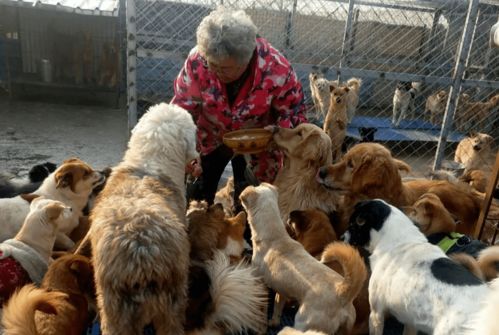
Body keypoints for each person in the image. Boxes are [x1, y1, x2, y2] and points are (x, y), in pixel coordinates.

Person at [172, 6, 307, 208]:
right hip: (209, 137)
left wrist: (277, 134)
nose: (215, 72)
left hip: (257, 144)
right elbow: (182, 109)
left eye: (224, 68)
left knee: (254, 202)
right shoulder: (197, 60)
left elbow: (294, 113)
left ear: (246, 60)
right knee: (197, 198)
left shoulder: (276, 68)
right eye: (212, 64)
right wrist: (184, 150)